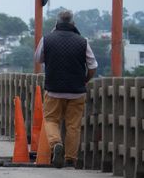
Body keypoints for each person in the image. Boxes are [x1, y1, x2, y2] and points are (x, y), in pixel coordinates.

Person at [34, 10, 98, 168]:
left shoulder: (47, 39)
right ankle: (71, 158)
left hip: (53, 89)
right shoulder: (83, 41)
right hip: (77, 91)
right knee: (73, 125)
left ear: (57, 23)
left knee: (51, 120)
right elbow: (93, 66)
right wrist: (85, 80)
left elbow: (38, 58)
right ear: (73, 24)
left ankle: (56, 144)